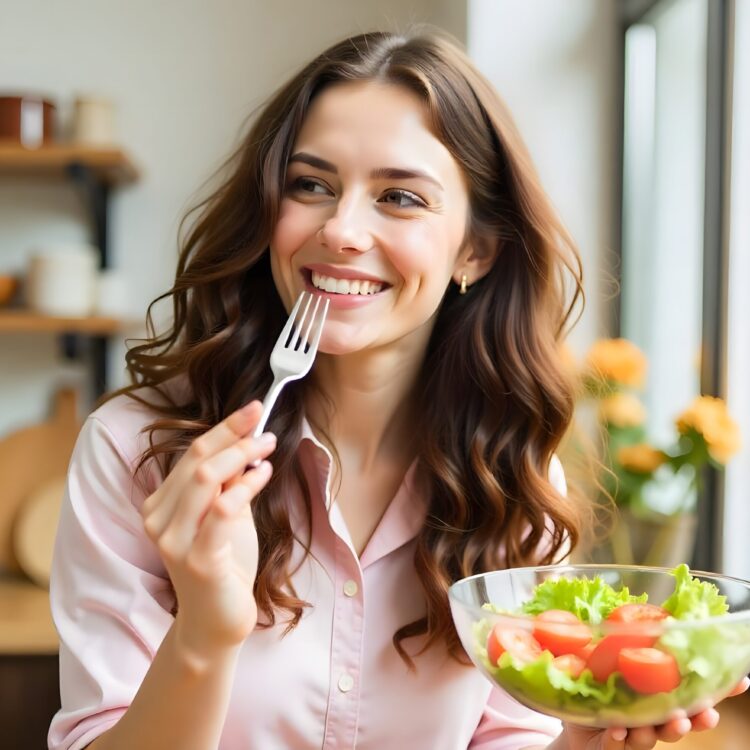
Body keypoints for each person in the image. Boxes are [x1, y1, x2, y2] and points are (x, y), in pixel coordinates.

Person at [48, 28, 746, 750]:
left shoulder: (511, 478)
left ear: (475, 248)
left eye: (400, 196)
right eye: (311, 185)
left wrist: (585, 742)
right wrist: (202, 636)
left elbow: (512, 736)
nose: (343, 230)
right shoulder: (138, 452)